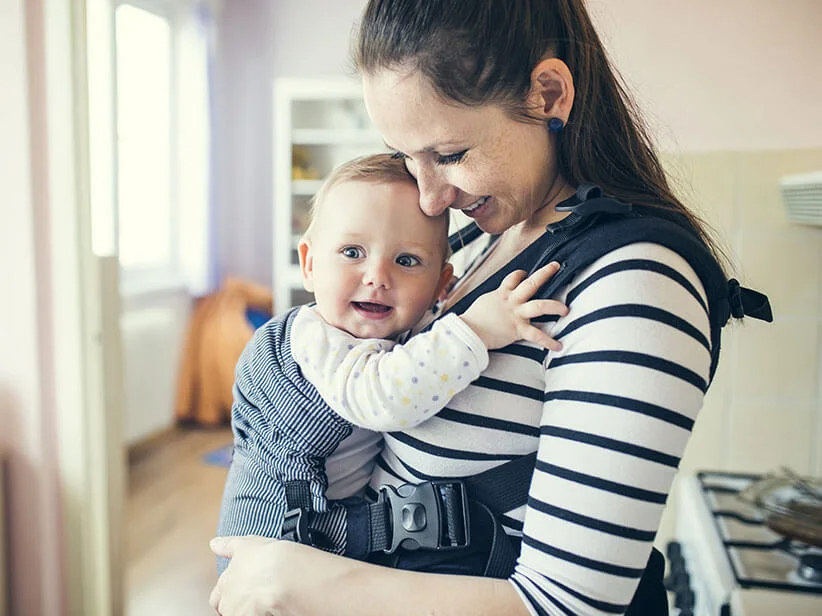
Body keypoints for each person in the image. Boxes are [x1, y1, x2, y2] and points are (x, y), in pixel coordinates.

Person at [209, 1, 770, 614]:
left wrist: (309, 582)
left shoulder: (635, 283)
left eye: (449, 155)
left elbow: (572, 606)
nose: (429, 196)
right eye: (405, 157)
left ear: (549, 94)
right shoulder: (475, 241)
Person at [216, 153, 566, 570]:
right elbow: (381, 396)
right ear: (309, 265)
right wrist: (476, 329)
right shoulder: (314, 338)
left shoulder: (392, 331)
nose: (378, 276)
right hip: (276, 543)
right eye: (351, 252)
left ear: (442, 285)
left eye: (406, 261)